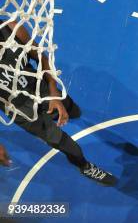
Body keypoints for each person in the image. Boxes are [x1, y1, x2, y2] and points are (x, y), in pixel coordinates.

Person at [0, 20, 116, 185]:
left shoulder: (11, 28)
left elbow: (42, 58)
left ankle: (63, 106)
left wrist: (54, 94)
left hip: (38, 84)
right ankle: (85, 166)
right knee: (66, 144)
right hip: (18, 107)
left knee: (72, 109)